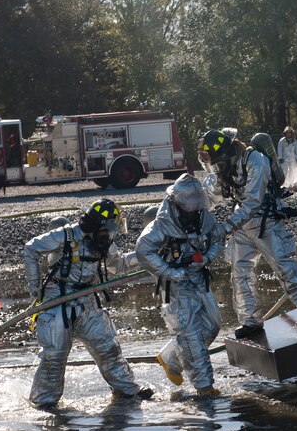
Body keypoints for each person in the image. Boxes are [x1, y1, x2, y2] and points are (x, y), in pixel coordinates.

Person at [23, 199, 152, 409]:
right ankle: (44, 404)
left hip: (88, 301)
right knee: (54, 357)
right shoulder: (64, 235)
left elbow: (117, 266)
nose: (110, 233)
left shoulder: (105, 242)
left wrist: (143, 256)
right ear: (95, 225)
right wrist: (34, 286)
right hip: (58, 303)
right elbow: (31, 249)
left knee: (108, 348)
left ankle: (128, 391)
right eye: (108, 227)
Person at [197, 128, 297, 338]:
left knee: (285, 266)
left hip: (266, 221)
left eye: (207, 155)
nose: (206, 160)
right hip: (243, 225)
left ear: (220, 151)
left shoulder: (255, 160)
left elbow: (253, 201)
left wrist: (227, 226)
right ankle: (250, 322)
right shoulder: (223, 167)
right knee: (240, 275)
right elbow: (209, 196)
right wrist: (189, 211)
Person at [135, 174, 224, 397]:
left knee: (213, 326)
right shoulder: (162, 224)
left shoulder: (204, 217)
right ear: (179, 201)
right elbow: (142, 250)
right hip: (175, 286)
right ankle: (205, 388)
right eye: (190, 201)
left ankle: (170, 357)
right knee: (191, 335)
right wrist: (170, 272)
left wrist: (207, 258)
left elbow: (218, 238)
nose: (195, 206)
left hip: (198, 277)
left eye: (198, 199)